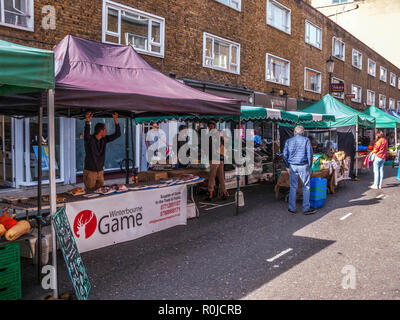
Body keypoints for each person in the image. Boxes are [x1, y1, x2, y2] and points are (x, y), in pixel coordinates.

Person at [84, 112, 121, 191]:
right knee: (90, 192)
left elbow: (118, 134)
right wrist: (87, 121)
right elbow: (86, 133)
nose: (106, 131)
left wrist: (116, 120)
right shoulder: (89, 140)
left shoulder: (104, 140)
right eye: (105, 130)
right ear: (101, 131)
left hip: (100, 172)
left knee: (101, 192)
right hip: (90, 172)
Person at [283, 125, 316, 215]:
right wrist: (309, 166)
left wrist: (287, 165)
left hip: (292, 166)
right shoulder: (306, 140)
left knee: (293, 187)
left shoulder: (288, 141)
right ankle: (306, 209)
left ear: (294, 132)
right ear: (303, 133)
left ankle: (291, 208)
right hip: (303, 165)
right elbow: (310, 154)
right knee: (306, 187)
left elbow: (284, 155)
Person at [206, 121, 229, 201]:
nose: (210, 128)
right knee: (221, 177)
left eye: (211, 127)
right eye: (209, 127)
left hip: (215, 158)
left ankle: (210, 194)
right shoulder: (219, 134)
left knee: (212, 177)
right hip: (220, 158)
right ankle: (224, 193)